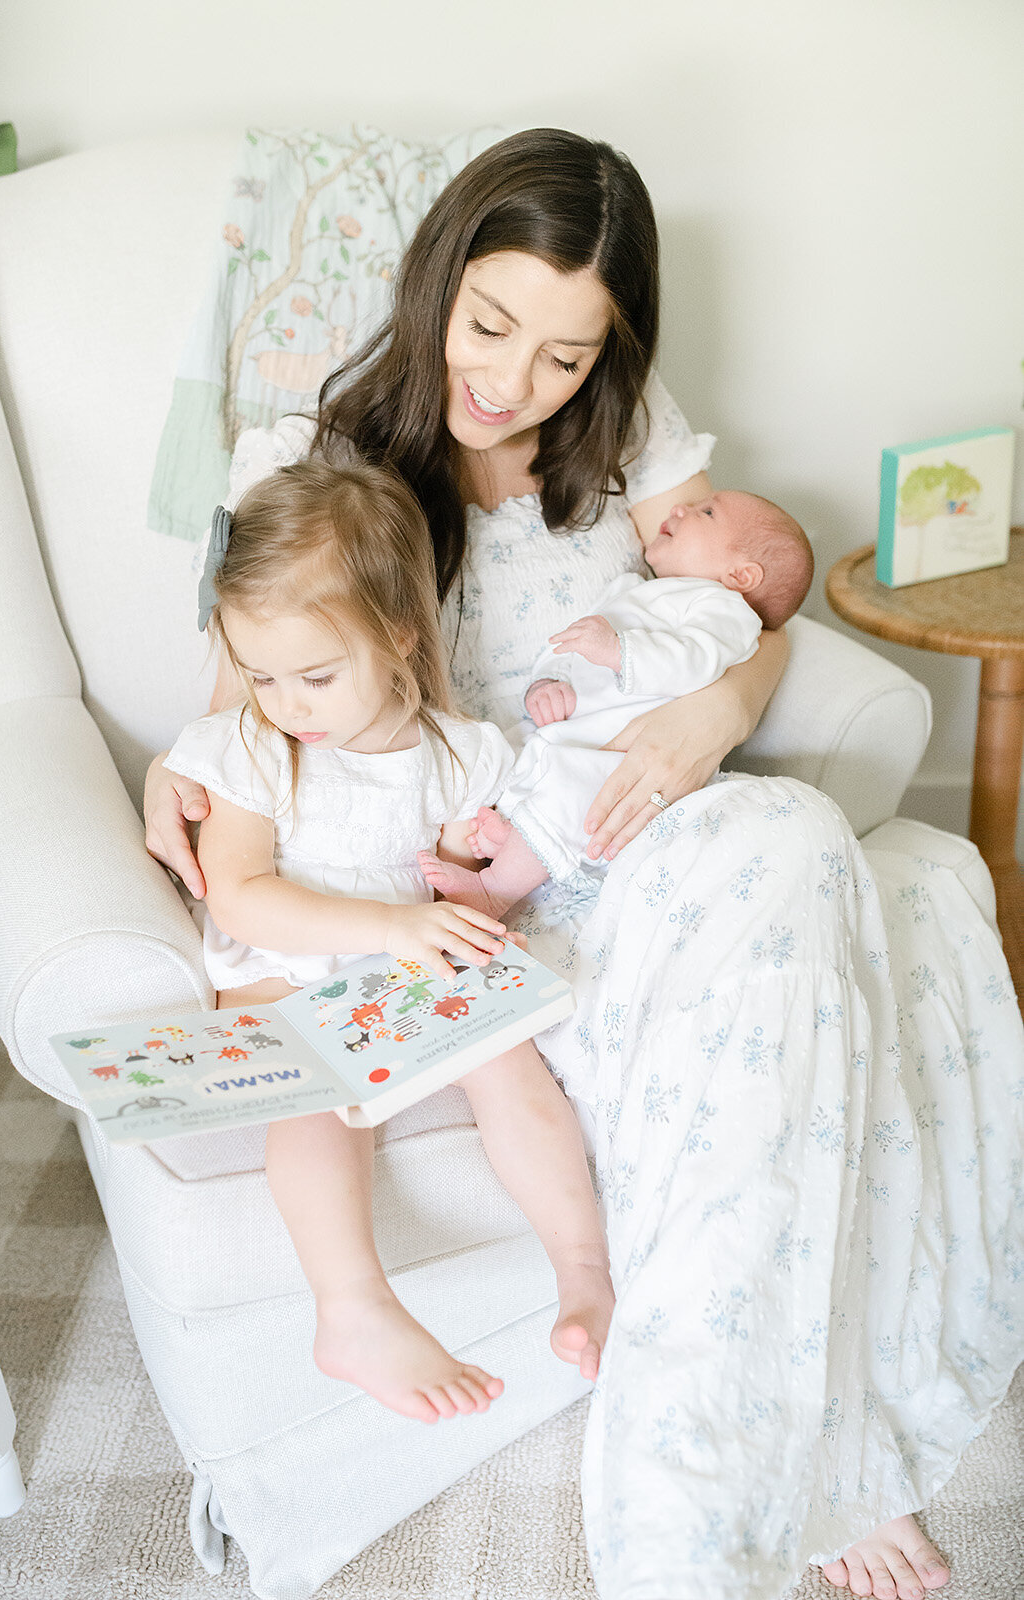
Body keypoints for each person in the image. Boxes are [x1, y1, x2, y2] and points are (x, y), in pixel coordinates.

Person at [144, 128, 1024, 1600]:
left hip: (668, 817)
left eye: (566, 353)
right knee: (814, 843)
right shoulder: (317, 465)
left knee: (930, 881)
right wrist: (192, 783)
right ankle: (709, 1490)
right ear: (437, 278)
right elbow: (255, 691)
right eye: (490, 326)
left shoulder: (624, 438)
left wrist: (705, 721)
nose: (514, 380)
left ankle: (841, 1434)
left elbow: (751, 618)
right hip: (508, 879)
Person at [163, 456, 615, 1425]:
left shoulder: (457, 753)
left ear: (400, 633)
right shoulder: (252, 746)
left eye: (315, 676)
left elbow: (455, 877)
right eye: (260, 674)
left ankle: (583, 1270)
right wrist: (391, 926)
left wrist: (470, 871)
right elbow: (240, 894)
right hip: (287, 973)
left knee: (511, 1061)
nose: (286, 702)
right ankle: (353, 1308)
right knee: (314, 1095)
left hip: (404, 970)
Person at [418, 490, 813, 918]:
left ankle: (495, 889)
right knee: (516, 761)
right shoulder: (632, 590)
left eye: (707, 512)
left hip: (627, 755)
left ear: (741, 576)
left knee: (571, 795)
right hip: (570, 730)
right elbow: (572, 642)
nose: (680, 508)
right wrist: (550, 680)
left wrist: (620, 651)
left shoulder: (724, 609)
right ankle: (513, 837)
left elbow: (695, 661)